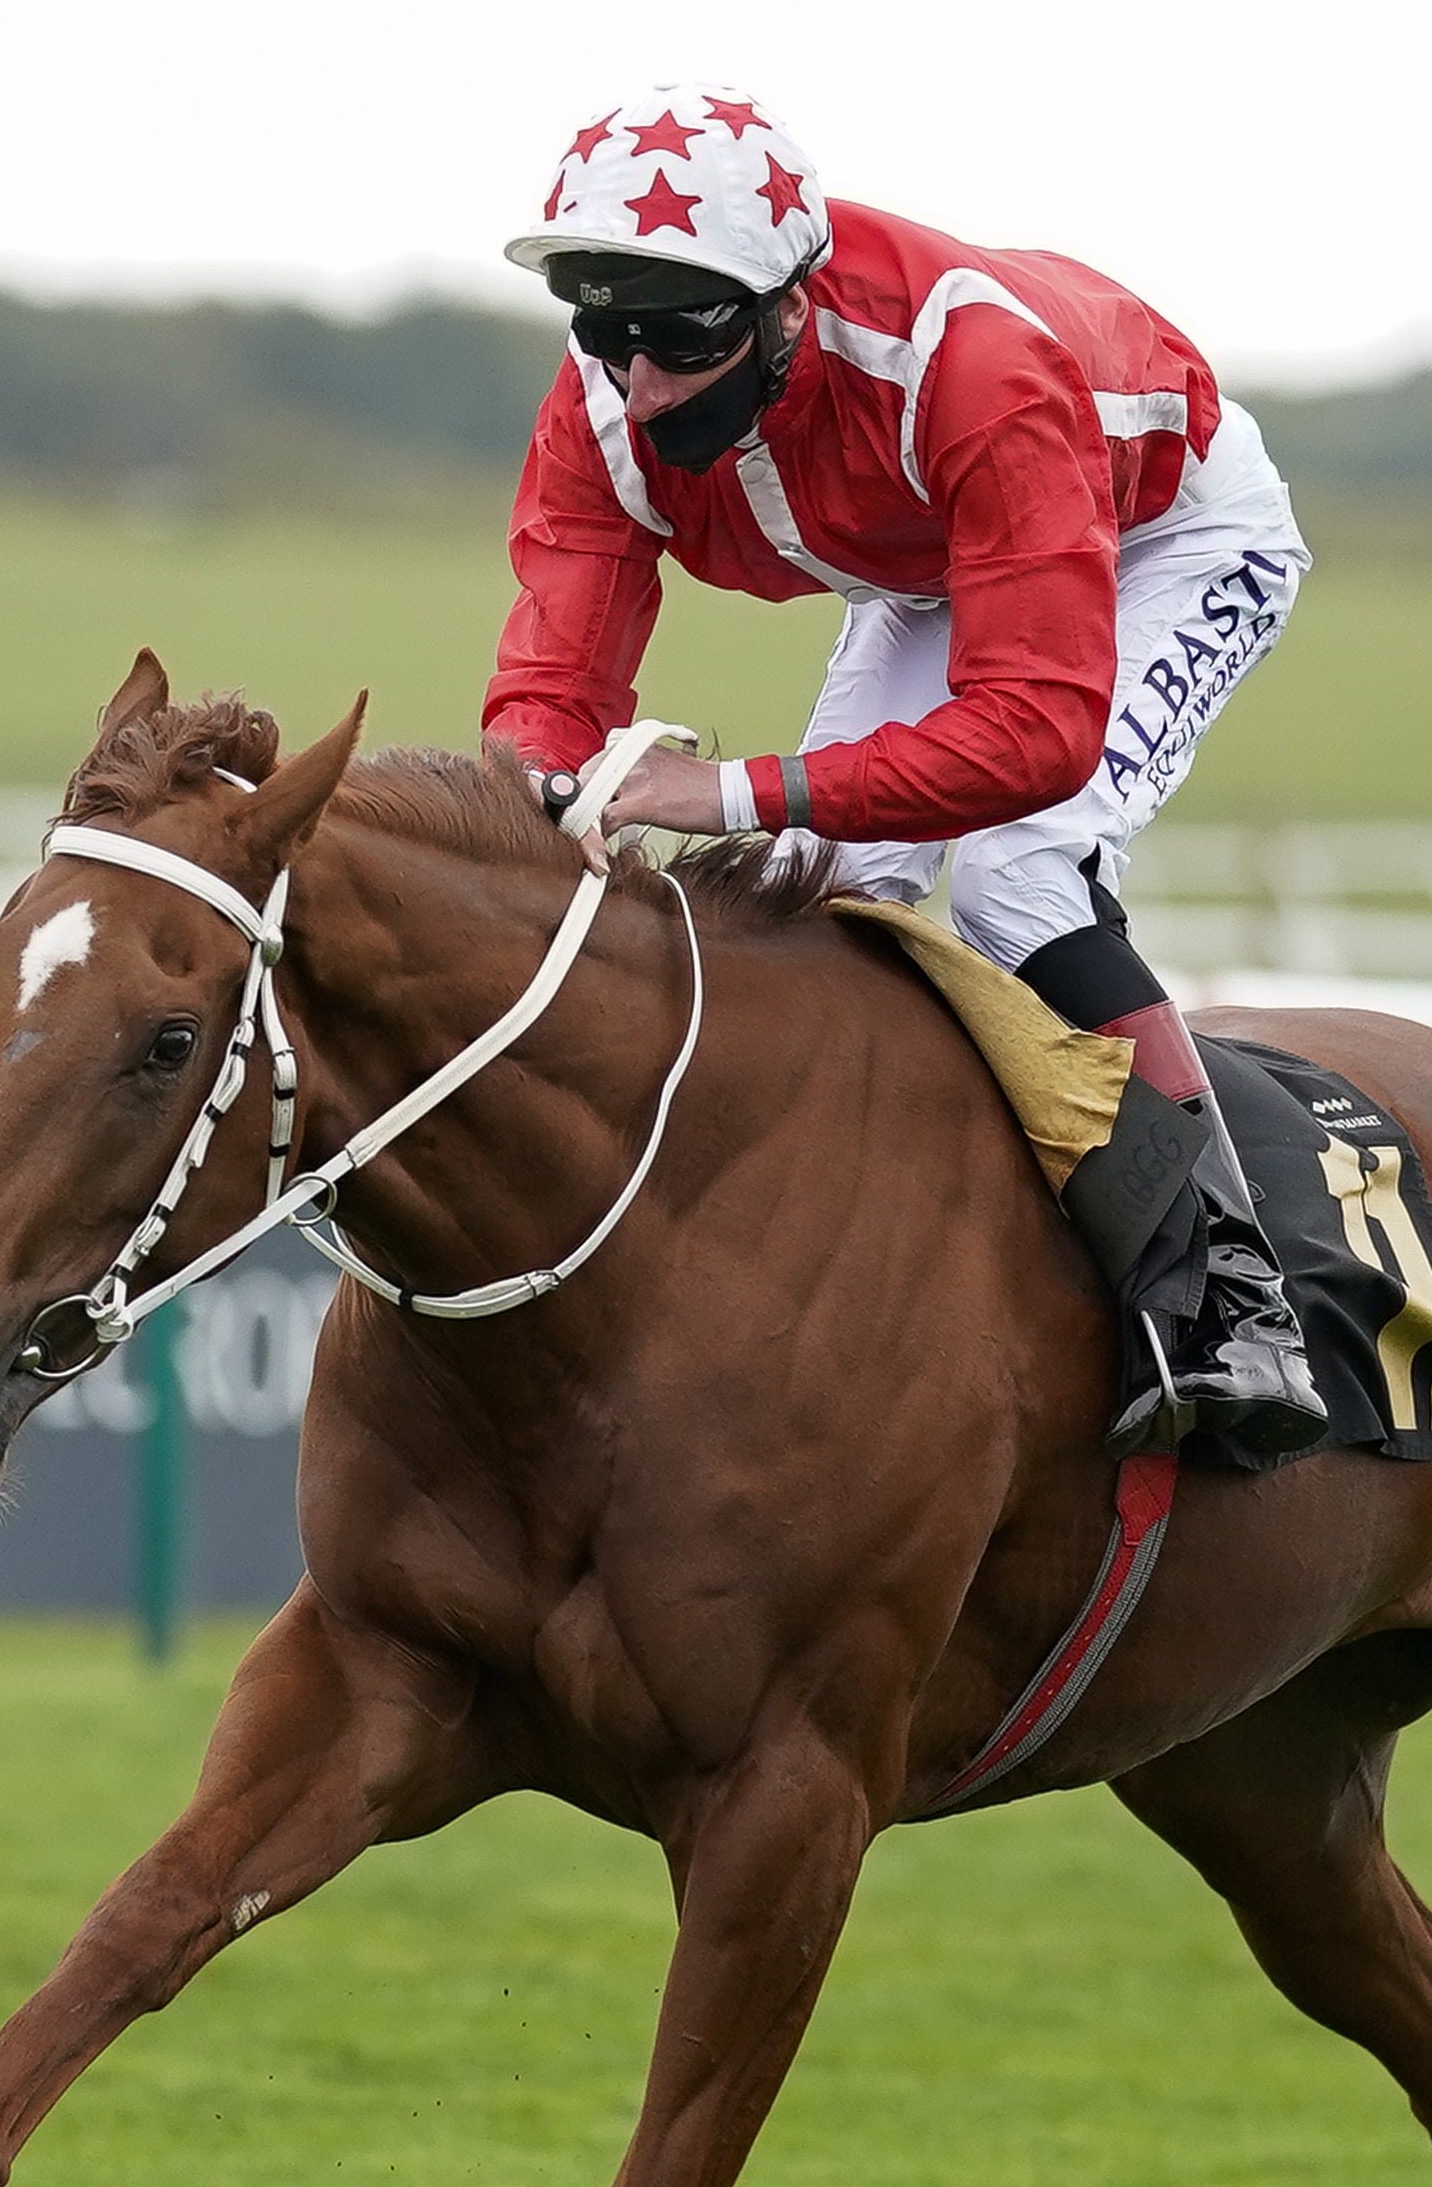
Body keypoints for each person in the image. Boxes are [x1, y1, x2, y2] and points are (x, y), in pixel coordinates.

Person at [484, 85, 1327, 1460]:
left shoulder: (977, 371)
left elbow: (1036, 733)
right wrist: (527, 805)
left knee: (1018, 870)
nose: (638, 384)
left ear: (789, 308)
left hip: (1159, 531)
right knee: (827, 884)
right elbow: (551, 695)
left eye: (682, 337)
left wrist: (732, 790)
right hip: (936, 549)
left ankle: (1233, 1298)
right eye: (603, 329)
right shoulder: (608, 402)